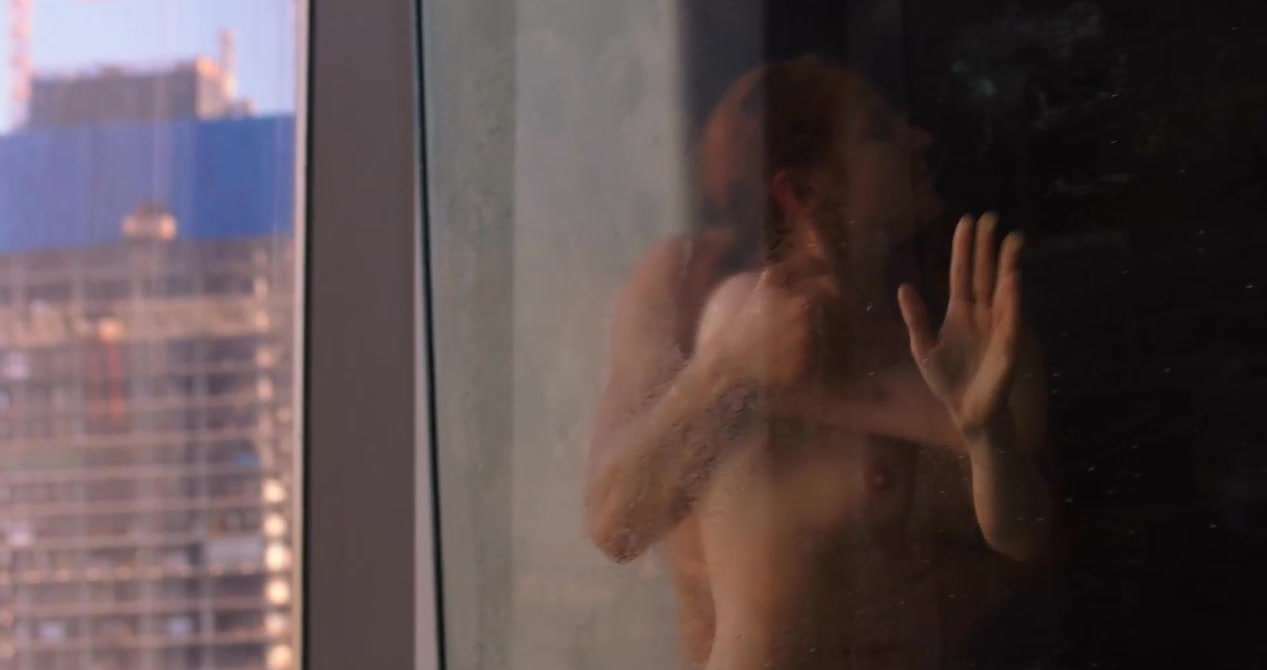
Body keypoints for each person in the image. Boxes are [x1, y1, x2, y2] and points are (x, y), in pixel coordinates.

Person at [585, 59, 1052, 669]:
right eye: (878, 132)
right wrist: (725, 369)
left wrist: (984, 433)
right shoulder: (703, 294)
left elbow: (1024, 539)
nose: (920, 139)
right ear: (802, 192)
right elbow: (615, 521)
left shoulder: (955, 327)